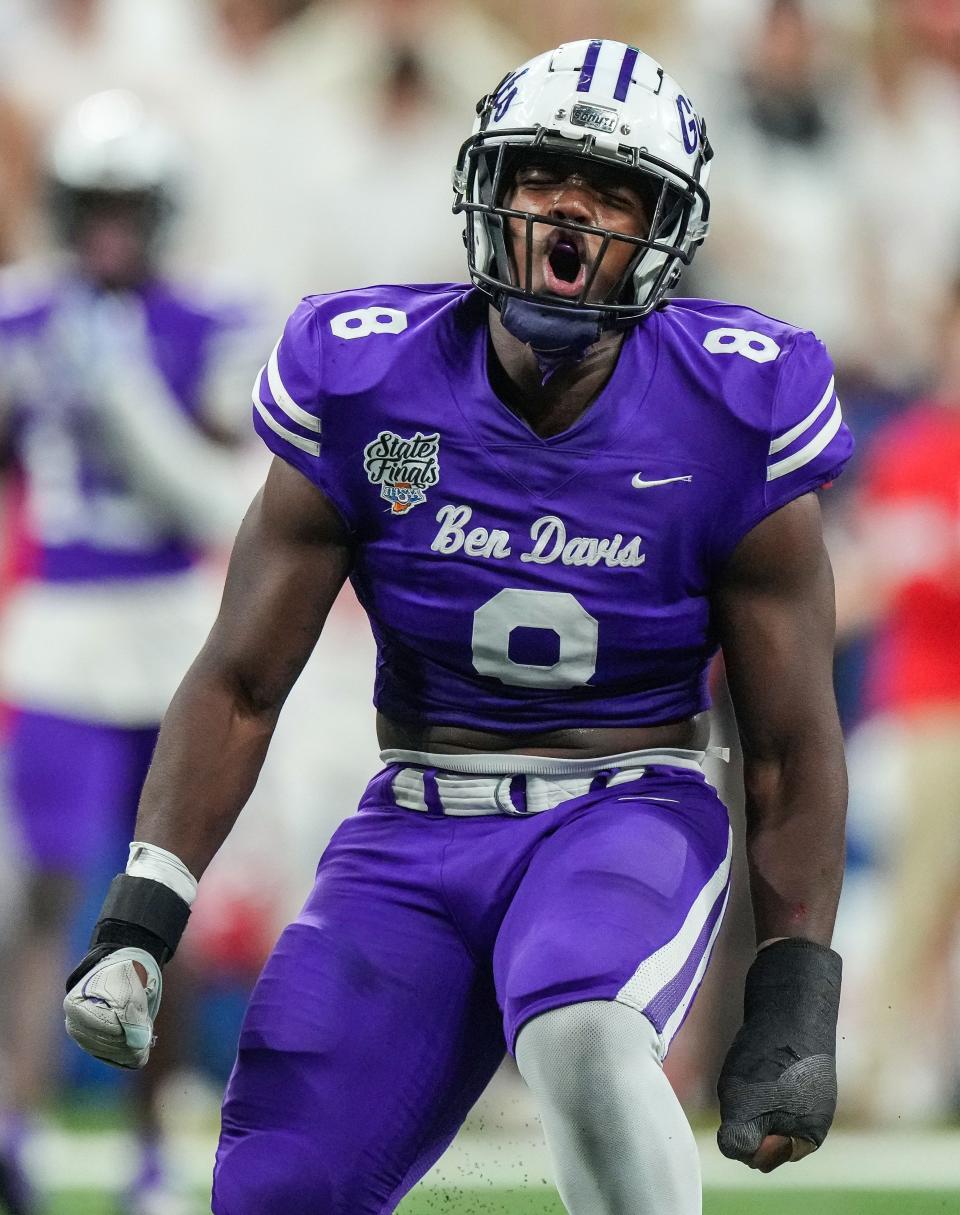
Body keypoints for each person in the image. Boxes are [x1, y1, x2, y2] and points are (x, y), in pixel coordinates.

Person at [63, 40, 852, 1214]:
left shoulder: (732, 405)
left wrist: (793, 994)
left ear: (667, 230)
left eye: (616, 191)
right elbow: (240, 679)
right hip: (415, 826)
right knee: (281, 1188)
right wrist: (141, 915)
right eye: (544, 175)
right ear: (488, 189)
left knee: (585, 1032)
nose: (572, 209)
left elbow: (790, 738)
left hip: (627, 803)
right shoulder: (368, 375)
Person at [0, 90, 254, 1215]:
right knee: (48, 890)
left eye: (128, 205)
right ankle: (17, 1120)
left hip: (168, 635)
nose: (109, 228)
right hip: (58, 630)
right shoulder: (18, 321)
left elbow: (216, 502)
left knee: (161, 894)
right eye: (92, 205)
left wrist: (120, 389)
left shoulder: (204, 325)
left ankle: (154, 1150)